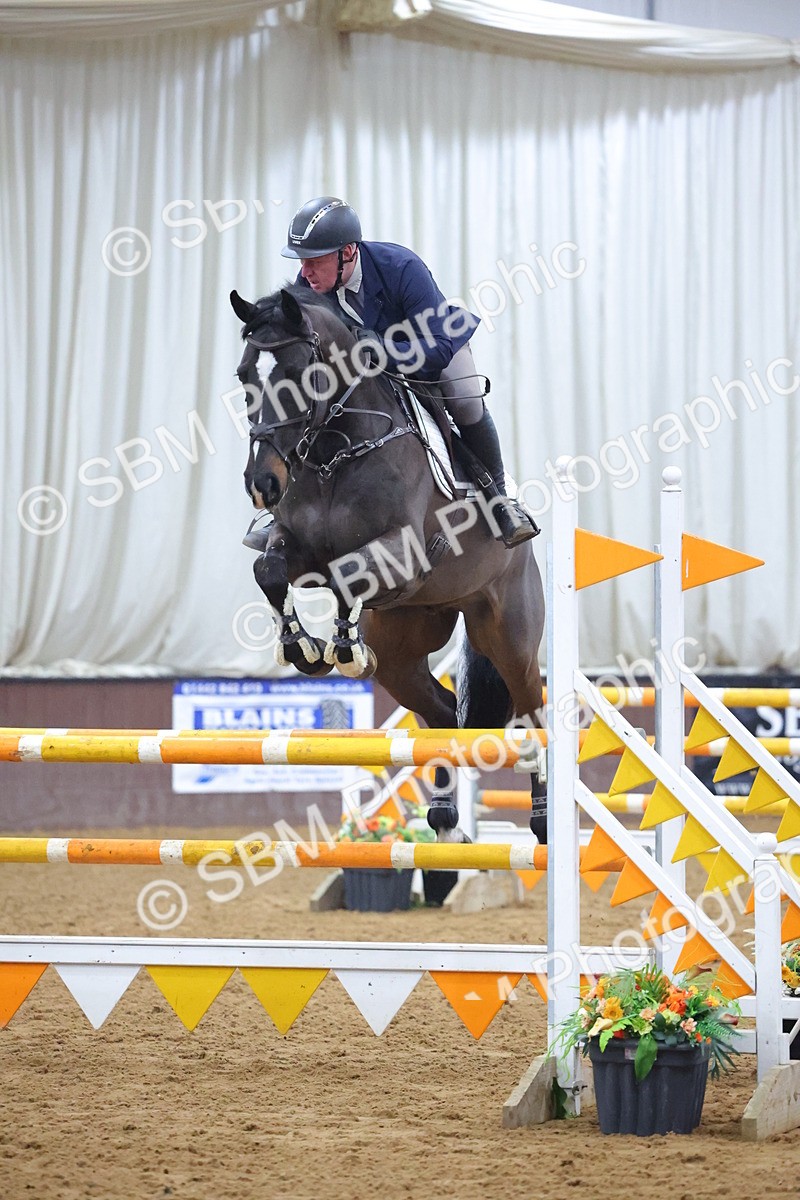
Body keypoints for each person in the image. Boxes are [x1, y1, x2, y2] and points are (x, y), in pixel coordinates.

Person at [244, 195, 538, 551]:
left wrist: (385, 350)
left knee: (464, 399)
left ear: (348, 252)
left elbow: (439, 345)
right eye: (302, 262)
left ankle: (499, 502)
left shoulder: (400, 267)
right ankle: (285, 517)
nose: (305, 273)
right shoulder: (311, 284)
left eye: (315, 261)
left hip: (432, 348)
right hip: (369, 368)